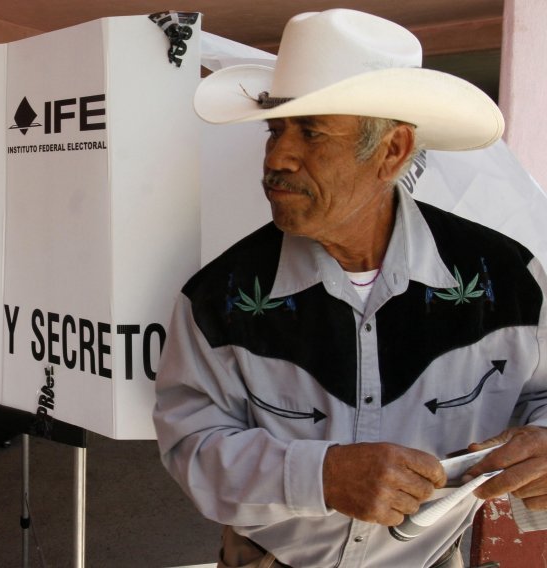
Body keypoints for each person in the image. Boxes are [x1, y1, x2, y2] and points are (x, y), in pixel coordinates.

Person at [153, 9, 547, 568]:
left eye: (311, 132)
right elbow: (191, 446)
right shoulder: (220, 298)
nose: (276, 158)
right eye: (275, 129)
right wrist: (321, 475)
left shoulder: (509, 282)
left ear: (392, 151)